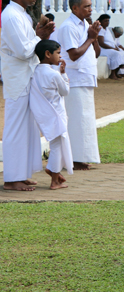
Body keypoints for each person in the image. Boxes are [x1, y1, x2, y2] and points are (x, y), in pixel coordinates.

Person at [1, 0, 55, 191]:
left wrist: (38, 34)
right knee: (15, 128)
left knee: (27, 128)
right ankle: (11, 178)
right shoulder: (11, 15)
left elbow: (27, 43)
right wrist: (39, 37)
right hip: (17, 78)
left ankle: (21, 174)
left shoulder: (21, 14)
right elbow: (23, 51)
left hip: (26, 76)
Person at [57, 0, 103, 171]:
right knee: (77, 119)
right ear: (74, 8)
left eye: (91, 6)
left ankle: (83, 157)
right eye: (86, 6)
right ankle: (75, 159)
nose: (90, 9)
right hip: (75, 79)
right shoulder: (68, 27)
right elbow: (74, 55)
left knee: (86, 119)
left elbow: (96, 53)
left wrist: (95, 36)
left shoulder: (86, 25)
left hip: (86, 77)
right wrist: (90, 37)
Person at [30, 39, 73, 189]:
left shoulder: (34, 71)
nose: (60, 57)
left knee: (56, 144)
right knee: (57, 146)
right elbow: (65, 91)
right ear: (48, 54)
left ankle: (53, 171)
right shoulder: (53, 74)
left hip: (44, 114)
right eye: (58, 53)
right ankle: (54, 180)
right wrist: (64, 75)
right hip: (56, 113)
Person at [96, 14, 124, 80]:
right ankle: (112, 74)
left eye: (108, 21)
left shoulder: (107, 29)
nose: (107, 23)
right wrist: (113, 48)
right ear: (100, 21)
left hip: (109, 48)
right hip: (103, 49)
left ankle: (116, 72)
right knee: (116, 54)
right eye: (105, 21)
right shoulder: (100, 29)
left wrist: (116, 48)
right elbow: (101, 43)